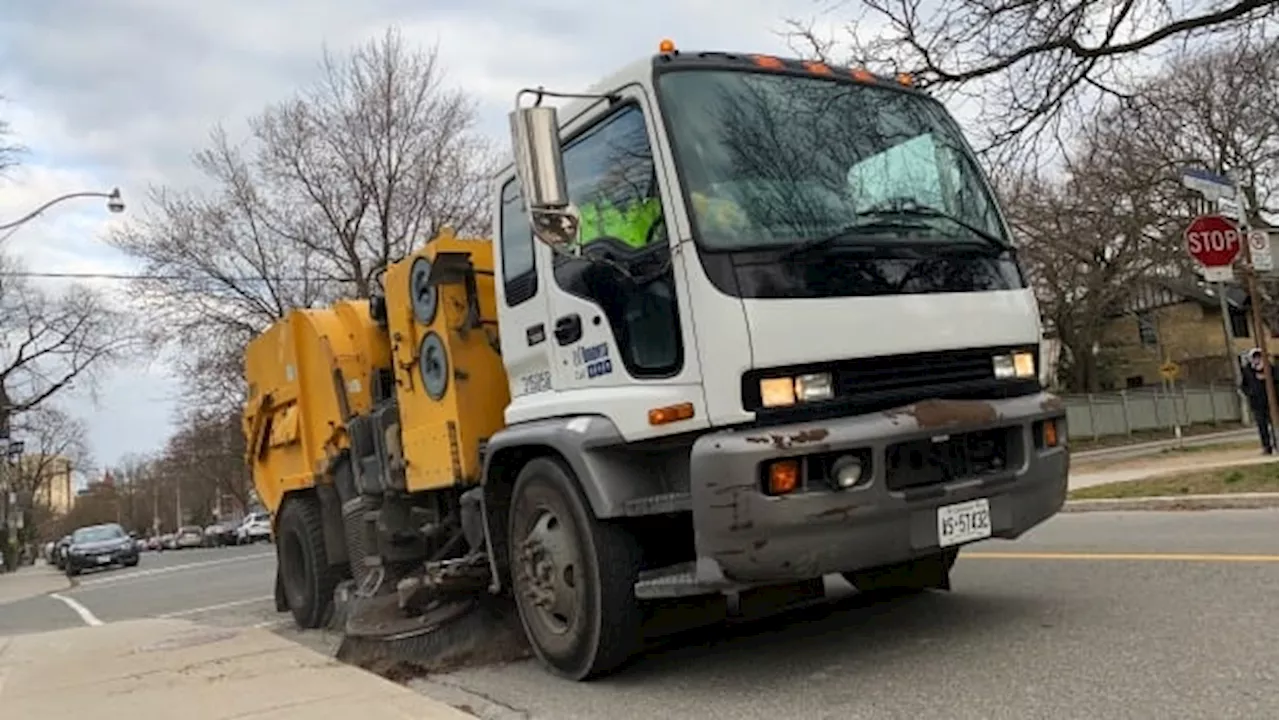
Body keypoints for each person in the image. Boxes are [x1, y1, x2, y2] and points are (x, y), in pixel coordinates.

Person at [1239, 349, 1274, 454]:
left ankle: (1277, 443)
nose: (1257, 359)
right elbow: (1243, 386)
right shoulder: (1248, 370)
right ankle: (1266, 447)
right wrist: (1250, 393)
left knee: (1275, 425)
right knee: (1262, 426)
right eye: (1255, 357)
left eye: (1259, 356)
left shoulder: (1270, 368)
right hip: (1257, 404)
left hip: (1271, 403)